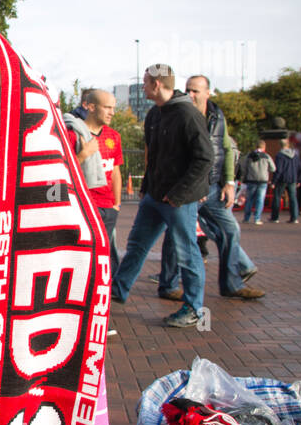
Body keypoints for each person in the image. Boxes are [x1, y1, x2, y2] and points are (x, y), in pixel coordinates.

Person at [111, 65, 213, 327]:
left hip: (177, 199)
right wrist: (147, 186)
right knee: (137, 244)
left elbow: (204, 158)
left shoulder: (188, 114)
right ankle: (117, 291)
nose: (143, 87)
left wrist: (179, 193)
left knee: (187, 252)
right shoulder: (155, 114)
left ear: (157, 85)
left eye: (145, 83)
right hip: (155, 196)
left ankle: (194, 309)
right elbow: (153, 156)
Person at [156, 75, 263, 301]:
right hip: (186, 187)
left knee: (230, 230)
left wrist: (230, 183)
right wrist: (191, 186)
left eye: (195, 90)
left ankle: (232, 284)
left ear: (207, 93)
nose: (190, 94)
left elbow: (225, 149)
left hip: (213, 188)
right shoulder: (180, 114)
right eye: (187, 90)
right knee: (177, 233)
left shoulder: (217, 116)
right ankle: (168, 285)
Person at [63, 89, 123, 270]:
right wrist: (83, 154)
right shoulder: (72, 133)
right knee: (81, 255)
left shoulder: (114, 136)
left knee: (105, 257)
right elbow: (62, 171)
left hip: (108, 207)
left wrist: (117, 204)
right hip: (84, 204)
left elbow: (115, 171)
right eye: (107, 107)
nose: (112, 112)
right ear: (90, 107)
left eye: (113, 107)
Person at [240, 143, 275, 225]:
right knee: (260, 200)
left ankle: (246, 218)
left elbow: (243, 167)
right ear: (264, 147)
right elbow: (273, 168)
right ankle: (257, 218)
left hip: (251, 180)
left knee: (249, 199)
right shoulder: (266, 156)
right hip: (263, 180)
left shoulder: (249, 156)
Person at [269, 136, 301, 223]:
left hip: (282, 179)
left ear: (280, 145)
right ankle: (294, 217)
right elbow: (299, 168)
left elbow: (279, 169)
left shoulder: (280, 155)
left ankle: (275, 217)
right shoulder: (295, 155)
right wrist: (299, 179)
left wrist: (274, 181)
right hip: (293, 179)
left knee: (277, 197)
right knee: (293, 198)